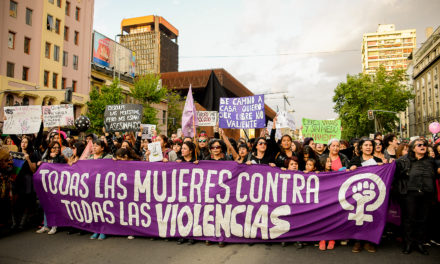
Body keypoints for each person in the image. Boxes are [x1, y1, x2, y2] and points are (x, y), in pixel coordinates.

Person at [394, 138, 439, 255]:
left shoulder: (431, 161)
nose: (422, 146)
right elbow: (394, 176)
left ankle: (420, 243)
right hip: (410, 194)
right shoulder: (402, 161)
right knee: (409, 219)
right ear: (413, 148)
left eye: (424, 145)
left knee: (423, 219)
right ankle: (408, 243)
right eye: (419, 145)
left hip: (427, 193)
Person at [36, 141, 66, 235]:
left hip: (56, 185)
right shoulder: (45, 157)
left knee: (54, 205)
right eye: (54, 147)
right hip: (46, 185)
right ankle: (45, 225)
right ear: (50, 148)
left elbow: (61, 168)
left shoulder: (61, 158)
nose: (56, 149)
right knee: (46, 205)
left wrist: (55, 158)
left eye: (58, 148)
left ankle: (54, 225)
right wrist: (41, 163)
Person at [88, 139, 112, 240]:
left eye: (97, 146)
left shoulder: (108, 157)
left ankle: (104, 230)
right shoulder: (89, 158)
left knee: (103, 209)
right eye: (93, 145)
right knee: (94, 208)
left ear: (102, 148)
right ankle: (96, 229)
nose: (94, 147)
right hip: (91, 187)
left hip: (102, 186)